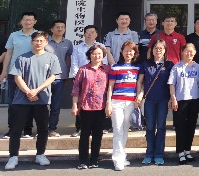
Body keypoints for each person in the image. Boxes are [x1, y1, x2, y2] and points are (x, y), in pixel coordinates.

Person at [4, 31, 61, 171]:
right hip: (22, 100)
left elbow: (52, 76)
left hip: (42, 99)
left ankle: (40, 154)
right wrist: (28, 92)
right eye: (36, 40)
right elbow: (17, 77)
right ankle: (13, 156)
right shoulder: (22, 58)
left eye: (41, 41)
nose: (38, 43)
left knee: (43, 129)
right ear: (32, 42)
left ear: (46, 42)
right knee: (16, 129)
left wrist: (37, 91)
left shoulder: (52, 58)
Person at [71, 45, 110, 170]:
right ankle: (83, 160)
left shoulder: (107, 69)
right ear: (89, 55)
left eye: (99, 54)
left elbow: (110, 87)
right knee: (84, 135)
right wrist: (74, 105)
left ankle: (94, 159)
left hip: (101, 107)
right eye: (94, 53)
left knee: (98, 135)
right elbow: (76, 89)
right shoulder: (83, 69)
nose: (97, 56)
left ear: (103, 55)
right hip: (86, 107)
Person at [136, 39, 174, 165]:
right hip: (149, 100)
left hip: (163, 100)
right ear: (152, 50)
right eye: (156, 48)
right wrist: (139, 95)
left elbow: (172, 83)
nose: (158, 50)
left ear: (165, 50)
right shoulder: (145, 64)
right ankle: (149, 154)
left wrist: (171, 98)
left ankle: (159, 154)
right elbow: (140, 81)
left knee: (161, 127)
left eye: (161, 48)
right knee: (150, 127)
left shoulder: (169, 65)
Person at [0, 12, 38, 139]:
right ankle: (13, 129)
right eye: (25, 20)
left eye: (31, 20)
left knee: (29, 101)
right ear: (21, 21)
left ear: (35, 22)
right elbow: (8, 54)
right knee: (13, 103)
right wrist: (4, 70)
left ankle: (27, 129)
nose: (28, 22)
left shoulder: (38, 35)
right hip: (14, 73)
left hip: (32, 74)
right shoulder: (14, 35)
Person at [106, 40, 140, 171]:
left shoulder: (138, 68)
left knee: (125, 130)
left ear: (134, 53)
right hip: (117, 102)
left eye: (131, 51)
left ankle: (122, 156)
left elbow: (140, 84)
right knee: (118, 130)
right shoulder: (115, 67)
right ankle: (117, 160)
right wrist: (108, 103)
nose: (128, 53)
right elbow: (110, 87)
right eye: (126, 50)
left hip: (131, 103)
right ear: (122, 52)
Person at [168, 43, 199, 164]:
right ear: (182, 52)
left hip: (194, 99)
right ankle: (180, 152)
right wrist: (173, 98)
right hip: (180, 100)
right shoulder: (177, 67)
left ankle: (188, 151)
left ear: (195, 53)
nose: (189, 53)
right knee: (180, 127)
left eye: (191, 51)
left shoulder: (198, 67)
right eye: (186, 51)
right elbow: (172, 84)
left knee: (191, 126)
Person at [69, 25, 108, 137]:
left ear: (96, 34)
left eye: (92, 32)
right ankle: (79, 128)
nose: (90, 34)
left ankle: (100, 127)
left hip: (99, 78)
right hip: (83, 78)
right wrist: (78, 78)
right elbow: (74, 63)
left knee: (99, 103)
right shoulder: (78, 48)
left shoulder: (101, 47)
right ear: (84, 34)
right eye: (88, 32)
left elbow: (104, 62)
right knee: (81, 103)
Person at [45, 20, 73, 138]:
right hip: (44, 78)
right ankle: (42, 129)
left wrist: (67, 74)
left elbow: (68, 59)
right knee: (43, 105)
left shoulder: (68, 43)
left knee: (55, 106)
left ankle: (52, 128)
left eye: (62, 27)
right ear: (52, 29)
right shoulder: (45, 42)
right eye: (57, 27)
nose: (60, 29)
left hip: (60, 77)